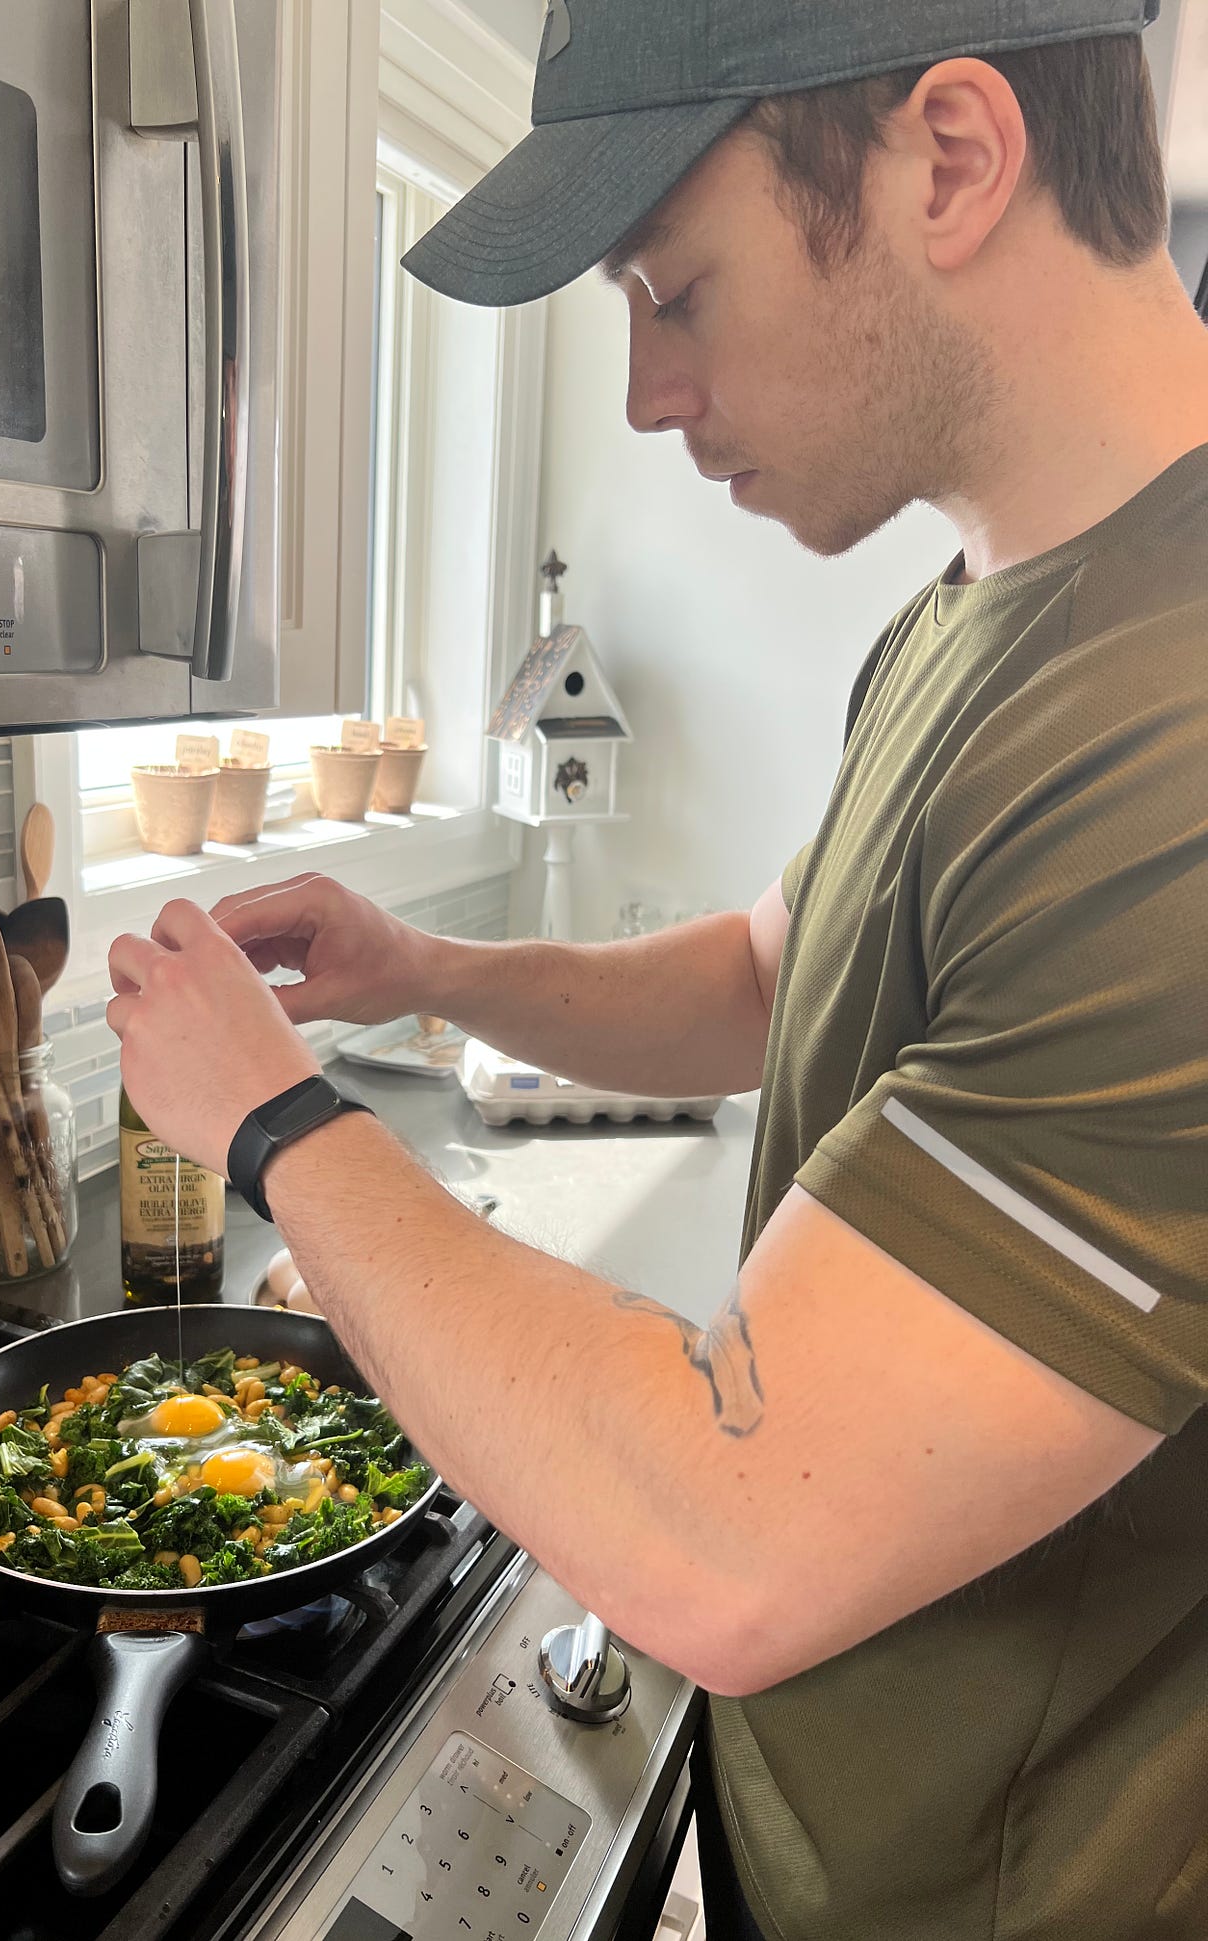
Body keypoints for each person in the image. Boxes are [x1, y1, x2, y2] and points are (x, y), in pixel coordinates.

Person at [106, 1, 1208, 1934]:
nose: (641, 392)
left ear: (950, 160)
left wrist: (271, 1119)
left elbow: (725, 1528)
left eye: (671, 287)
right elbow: (774, 975)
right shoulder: (968, 615)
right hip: (828, 1828)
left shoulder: (1177, 730)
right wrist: (412, 959)